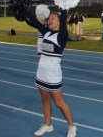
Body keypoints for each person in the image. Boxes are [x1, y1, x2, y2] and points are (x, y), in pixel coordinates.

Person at [23, 9, 77, 137]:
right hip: (41, 71)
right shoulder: (46, 32)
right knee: (44, 99)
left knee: (59, 102)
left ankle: (72, 126)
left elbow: (64, 19)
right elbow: (34, 21)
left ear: (59, 22)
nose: (50, 20)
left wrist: (64, 5)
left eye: (53, 18)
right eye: (50, 18)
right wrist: (24, 8)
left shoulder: (62, 35)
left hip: (53, 74)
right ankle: (48, 125)